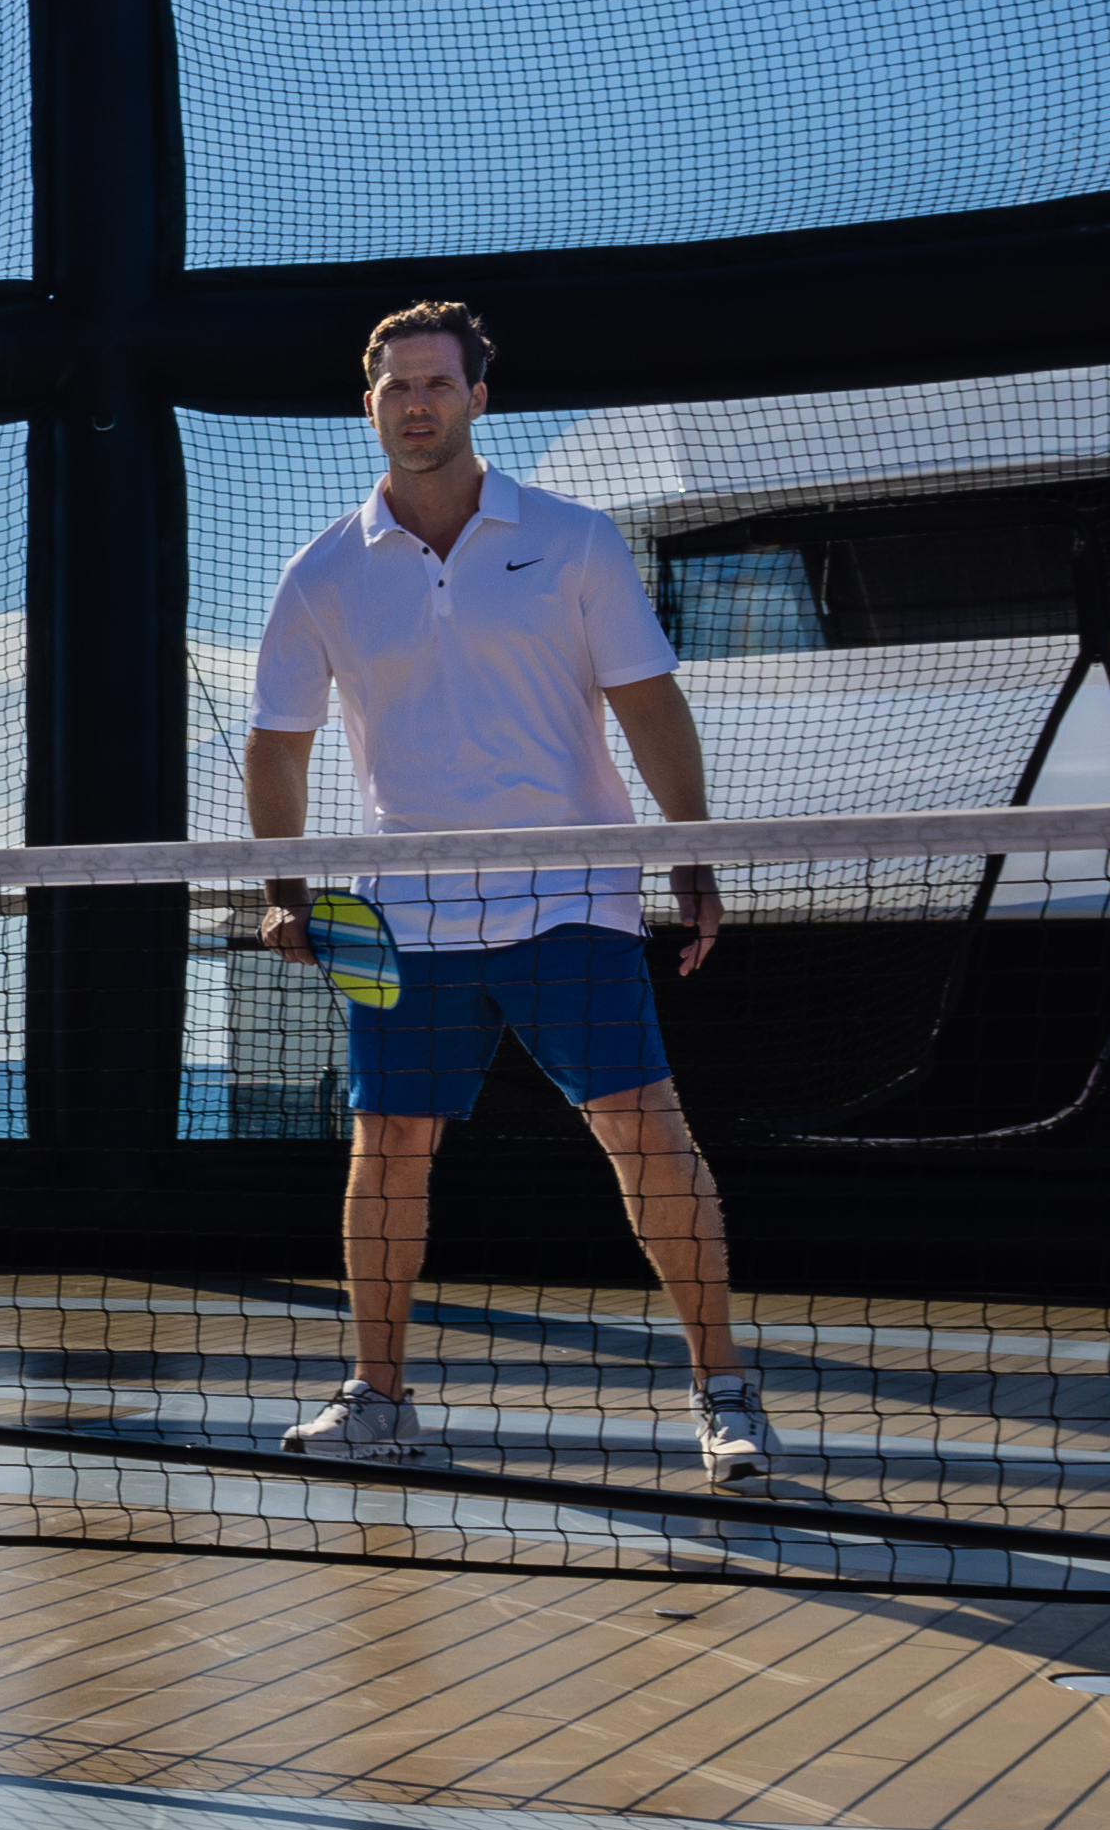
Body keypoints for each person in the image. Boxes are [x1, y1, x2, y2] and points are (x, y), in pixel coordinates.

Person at [236, 296, 768, 1484]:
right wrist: (286, 889)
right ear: (367, 405)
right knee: (386, 1147)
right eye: (395, 386)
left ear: (481, 397)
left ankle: (724, 1391)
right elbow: (279, 745)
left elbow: (648, 703)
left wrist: (691, 850)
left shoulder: (575, 540)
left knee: (643, 1131)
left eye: (437, 383)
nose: (416, 403)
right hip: (401, 908)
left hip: (568, 890)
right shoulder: (322, 569)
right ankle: (376, 1396)